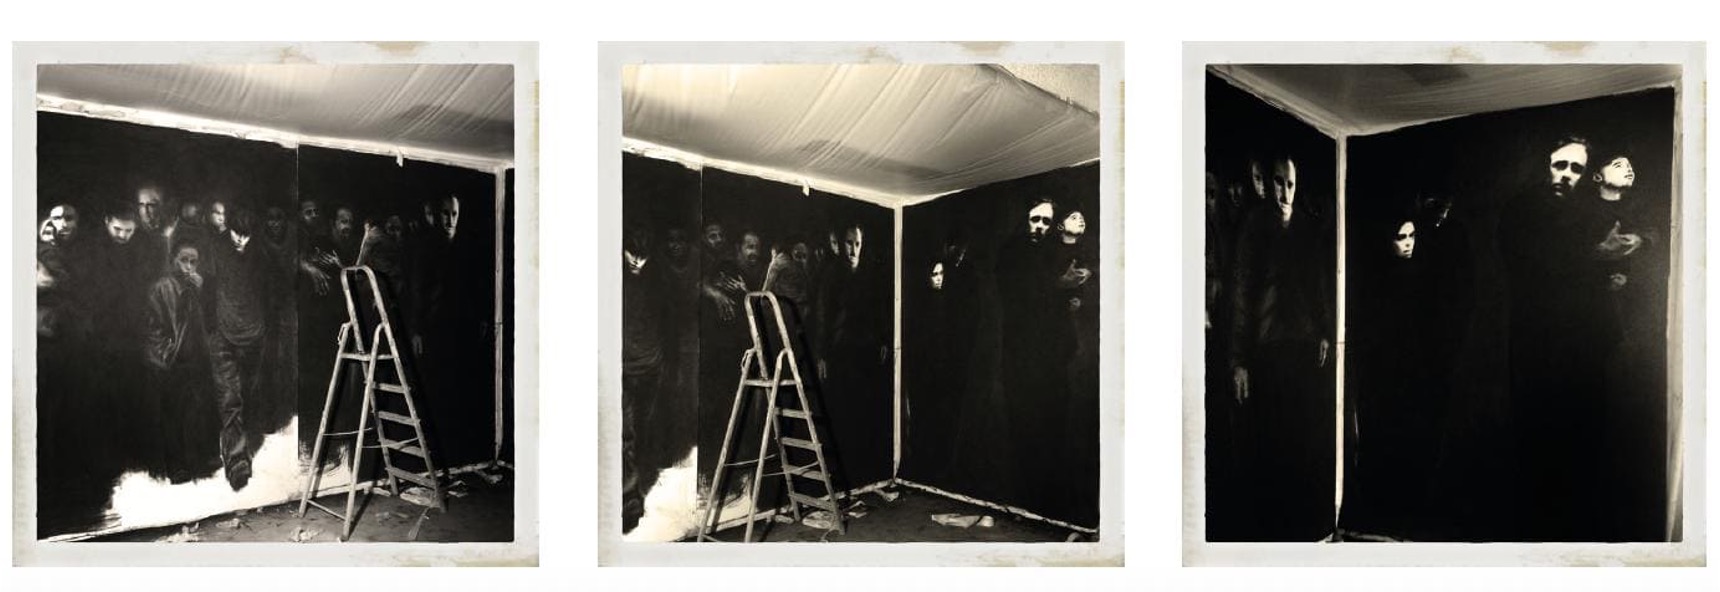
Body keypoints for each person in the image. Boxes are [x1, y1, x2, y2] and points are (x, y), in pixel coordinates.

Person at [1498, 134, 1618, 540]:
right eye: (1559, 165)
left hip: (1583, 352)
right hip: (1536, 347)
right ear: (1545, 165)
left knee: (1581, 443)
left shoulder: (1587, 213)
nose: (1566, 175)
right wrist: (1595, 257)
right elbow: (1534, 268)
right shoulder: (1521, 209)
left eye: (1576, 169)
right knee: (1536, 440)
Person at [1227, 156, 1334, 541]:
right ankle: (1273, 524)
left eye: (1290, 184)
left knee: (1299, 434)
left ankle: (1299, 521)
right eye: (1277, 182)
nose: (1284, 192)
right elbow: (1242, 293)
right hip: (1268, 345)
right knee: (1270, 436)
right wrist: (1239, 360)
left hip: (1302, 345)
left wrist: (1324, 330)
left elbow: (1319, 283)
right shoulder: (1255, 225)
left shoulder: (1306, 227)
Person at [201, 208, 268, 491]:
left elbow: (270, 290)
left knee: (248, 394)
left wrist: (261, 325)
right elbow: (206, 290)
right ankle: (237, 462)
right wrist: (212, 329)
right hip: (223, 333)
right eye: (237, 235)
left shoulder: (260, 252)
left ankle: (241, 448)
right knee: (230, 397)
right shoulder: (214, 250)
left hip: (253, 332)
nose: (241, 240)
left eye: (246, 235)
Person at [143, 240, 214, 482]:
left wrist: (202, 292)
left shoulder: (197, 286)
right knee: (173, 415)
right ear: (173, 260)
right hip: (173, 363)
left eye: (194, 262)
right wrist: (167, 354)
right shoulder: (161, 288)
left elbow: (208, 321)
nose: (189, 266)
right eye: (184, 260)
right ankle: (176, 467)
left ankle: (199, 461)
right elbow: (152, 327)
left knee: (197, 411)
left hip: (197, 360)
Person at [620, 224, 663, 533]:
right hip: (622, 368)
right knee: (626, 437)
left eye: (643, 256)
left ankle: (633, 502)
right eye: (631, 255)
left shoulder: (654, 282)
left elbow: (665, 323)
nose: (637, 261)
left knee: (642, 435)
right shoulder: (613, 280)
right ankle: (628, 507)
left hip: (648, 368)